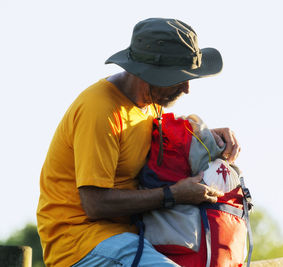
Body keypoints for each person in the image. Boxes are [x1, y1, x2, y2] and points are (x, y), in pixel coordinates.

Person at [36, 18, 240, 267]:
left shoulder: (151, 102)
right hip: (80, 241)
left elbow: (167, 140)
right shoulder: (100, 111)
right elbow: (94, 204)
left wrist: (209, 136)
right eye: (179, 78)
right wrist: (173, 195)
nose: (187, 89)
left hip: (131, 236)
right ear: (149, 75)